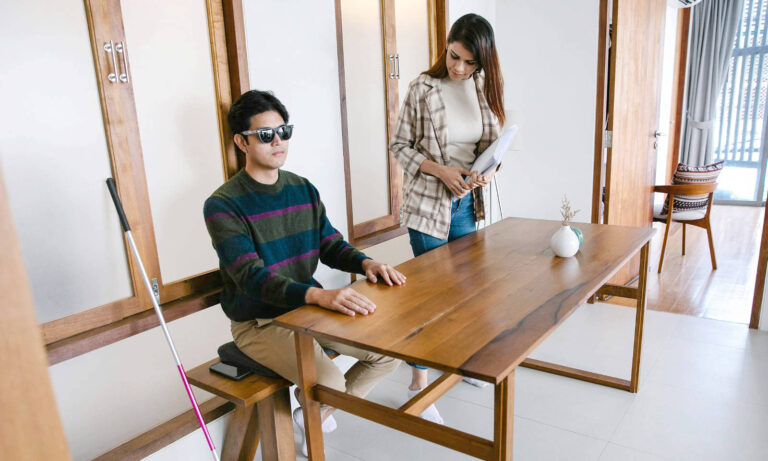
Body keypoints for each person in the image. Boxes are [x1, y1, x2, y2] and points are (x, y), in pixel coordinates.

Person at [204, 90, 405, 456]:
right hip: (258, 322)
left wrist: (366, 264)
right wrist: (318, 295)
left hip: (305, 311)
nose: (277, 141)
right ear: (241, 141)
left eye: (284, 131)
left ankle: (315, 412)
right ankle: (317, 415)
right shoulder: (223, 204)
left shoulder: (302, 188)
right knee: (330, 382)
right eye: (265, 135)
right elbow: (250, 277)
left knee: (389, 355)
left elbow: (330, 244)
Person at [389, 13, 505, 424]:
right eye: (455, 56)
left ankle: (460, 361)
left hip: (466, 206)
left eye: (470, 62)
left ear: (482, 63)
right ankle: (418, 385)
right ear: (447, 44)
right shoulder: (423, 87)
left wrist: (488, 172)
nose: (459, 68)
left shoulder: (480, 89)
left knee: (465, 292)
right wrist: (441, 171)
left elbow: (492, 150)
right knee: (430, 297)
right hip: (427, 206)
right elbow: (399, 145)